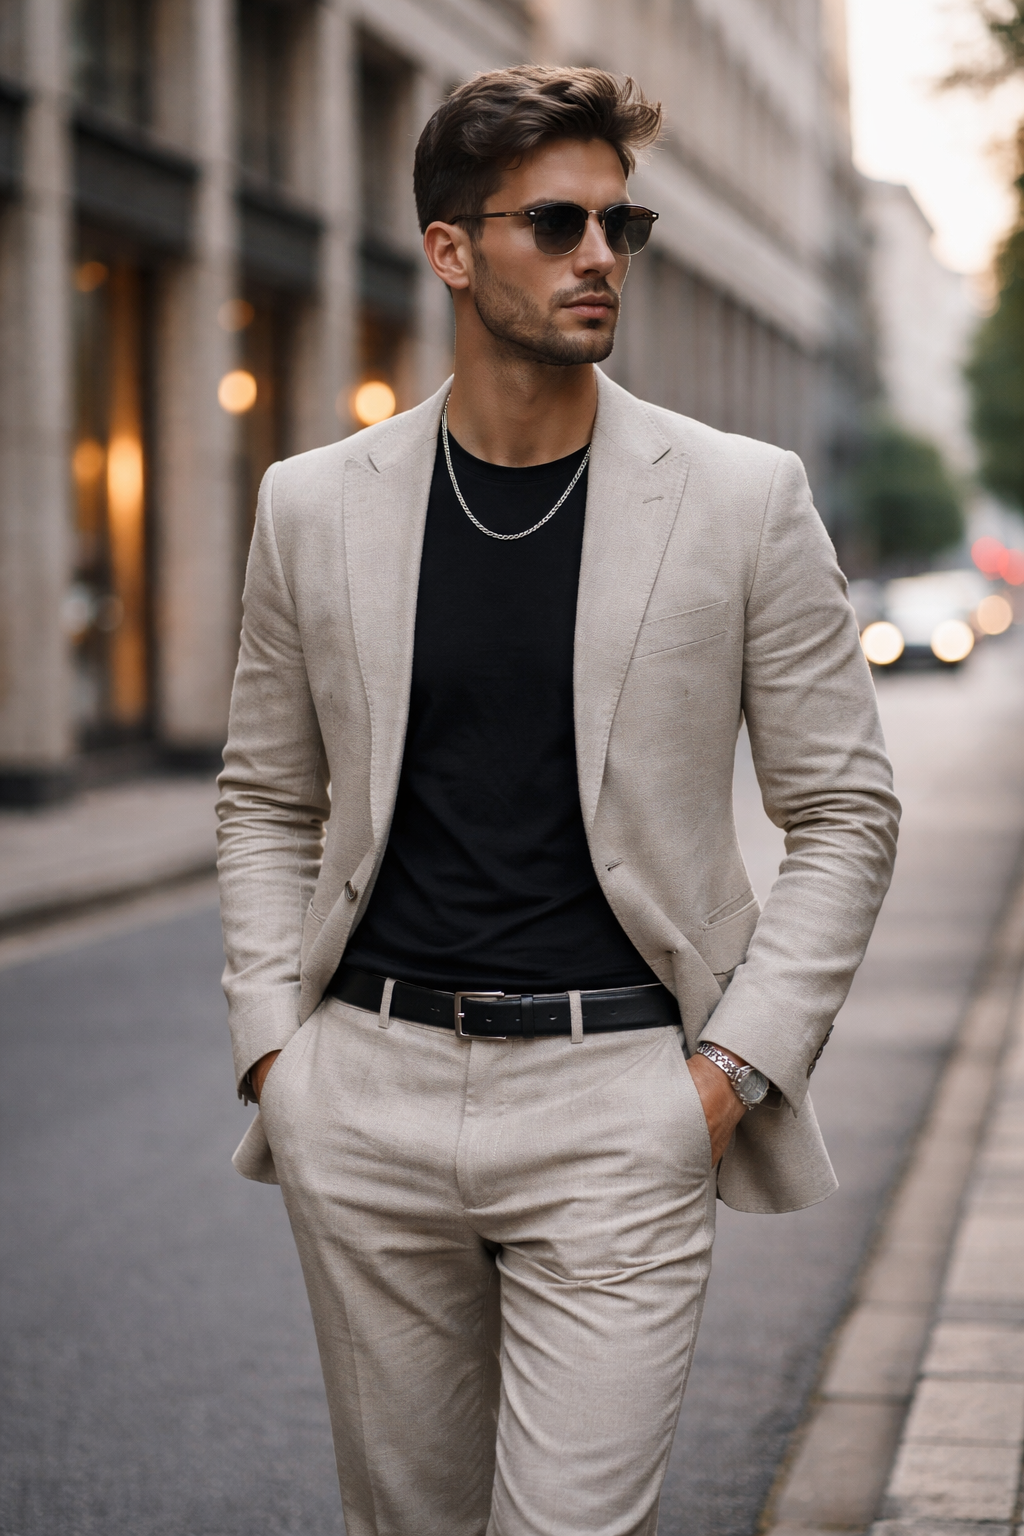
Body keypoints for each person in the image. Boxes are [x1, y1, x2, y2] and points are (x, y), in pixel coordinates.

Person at [216, 65, 899, 1536]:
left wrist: (730, 1076)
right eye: (558, 223)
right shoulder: (313, 505)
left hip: (624, 1106)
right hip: (370, 1095)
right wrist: (281, 1055)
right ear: (453, 249)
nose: (601, 255)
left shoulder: (741, 497)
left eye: (619, 224)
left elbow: (844, 811)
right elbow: (268, 799)